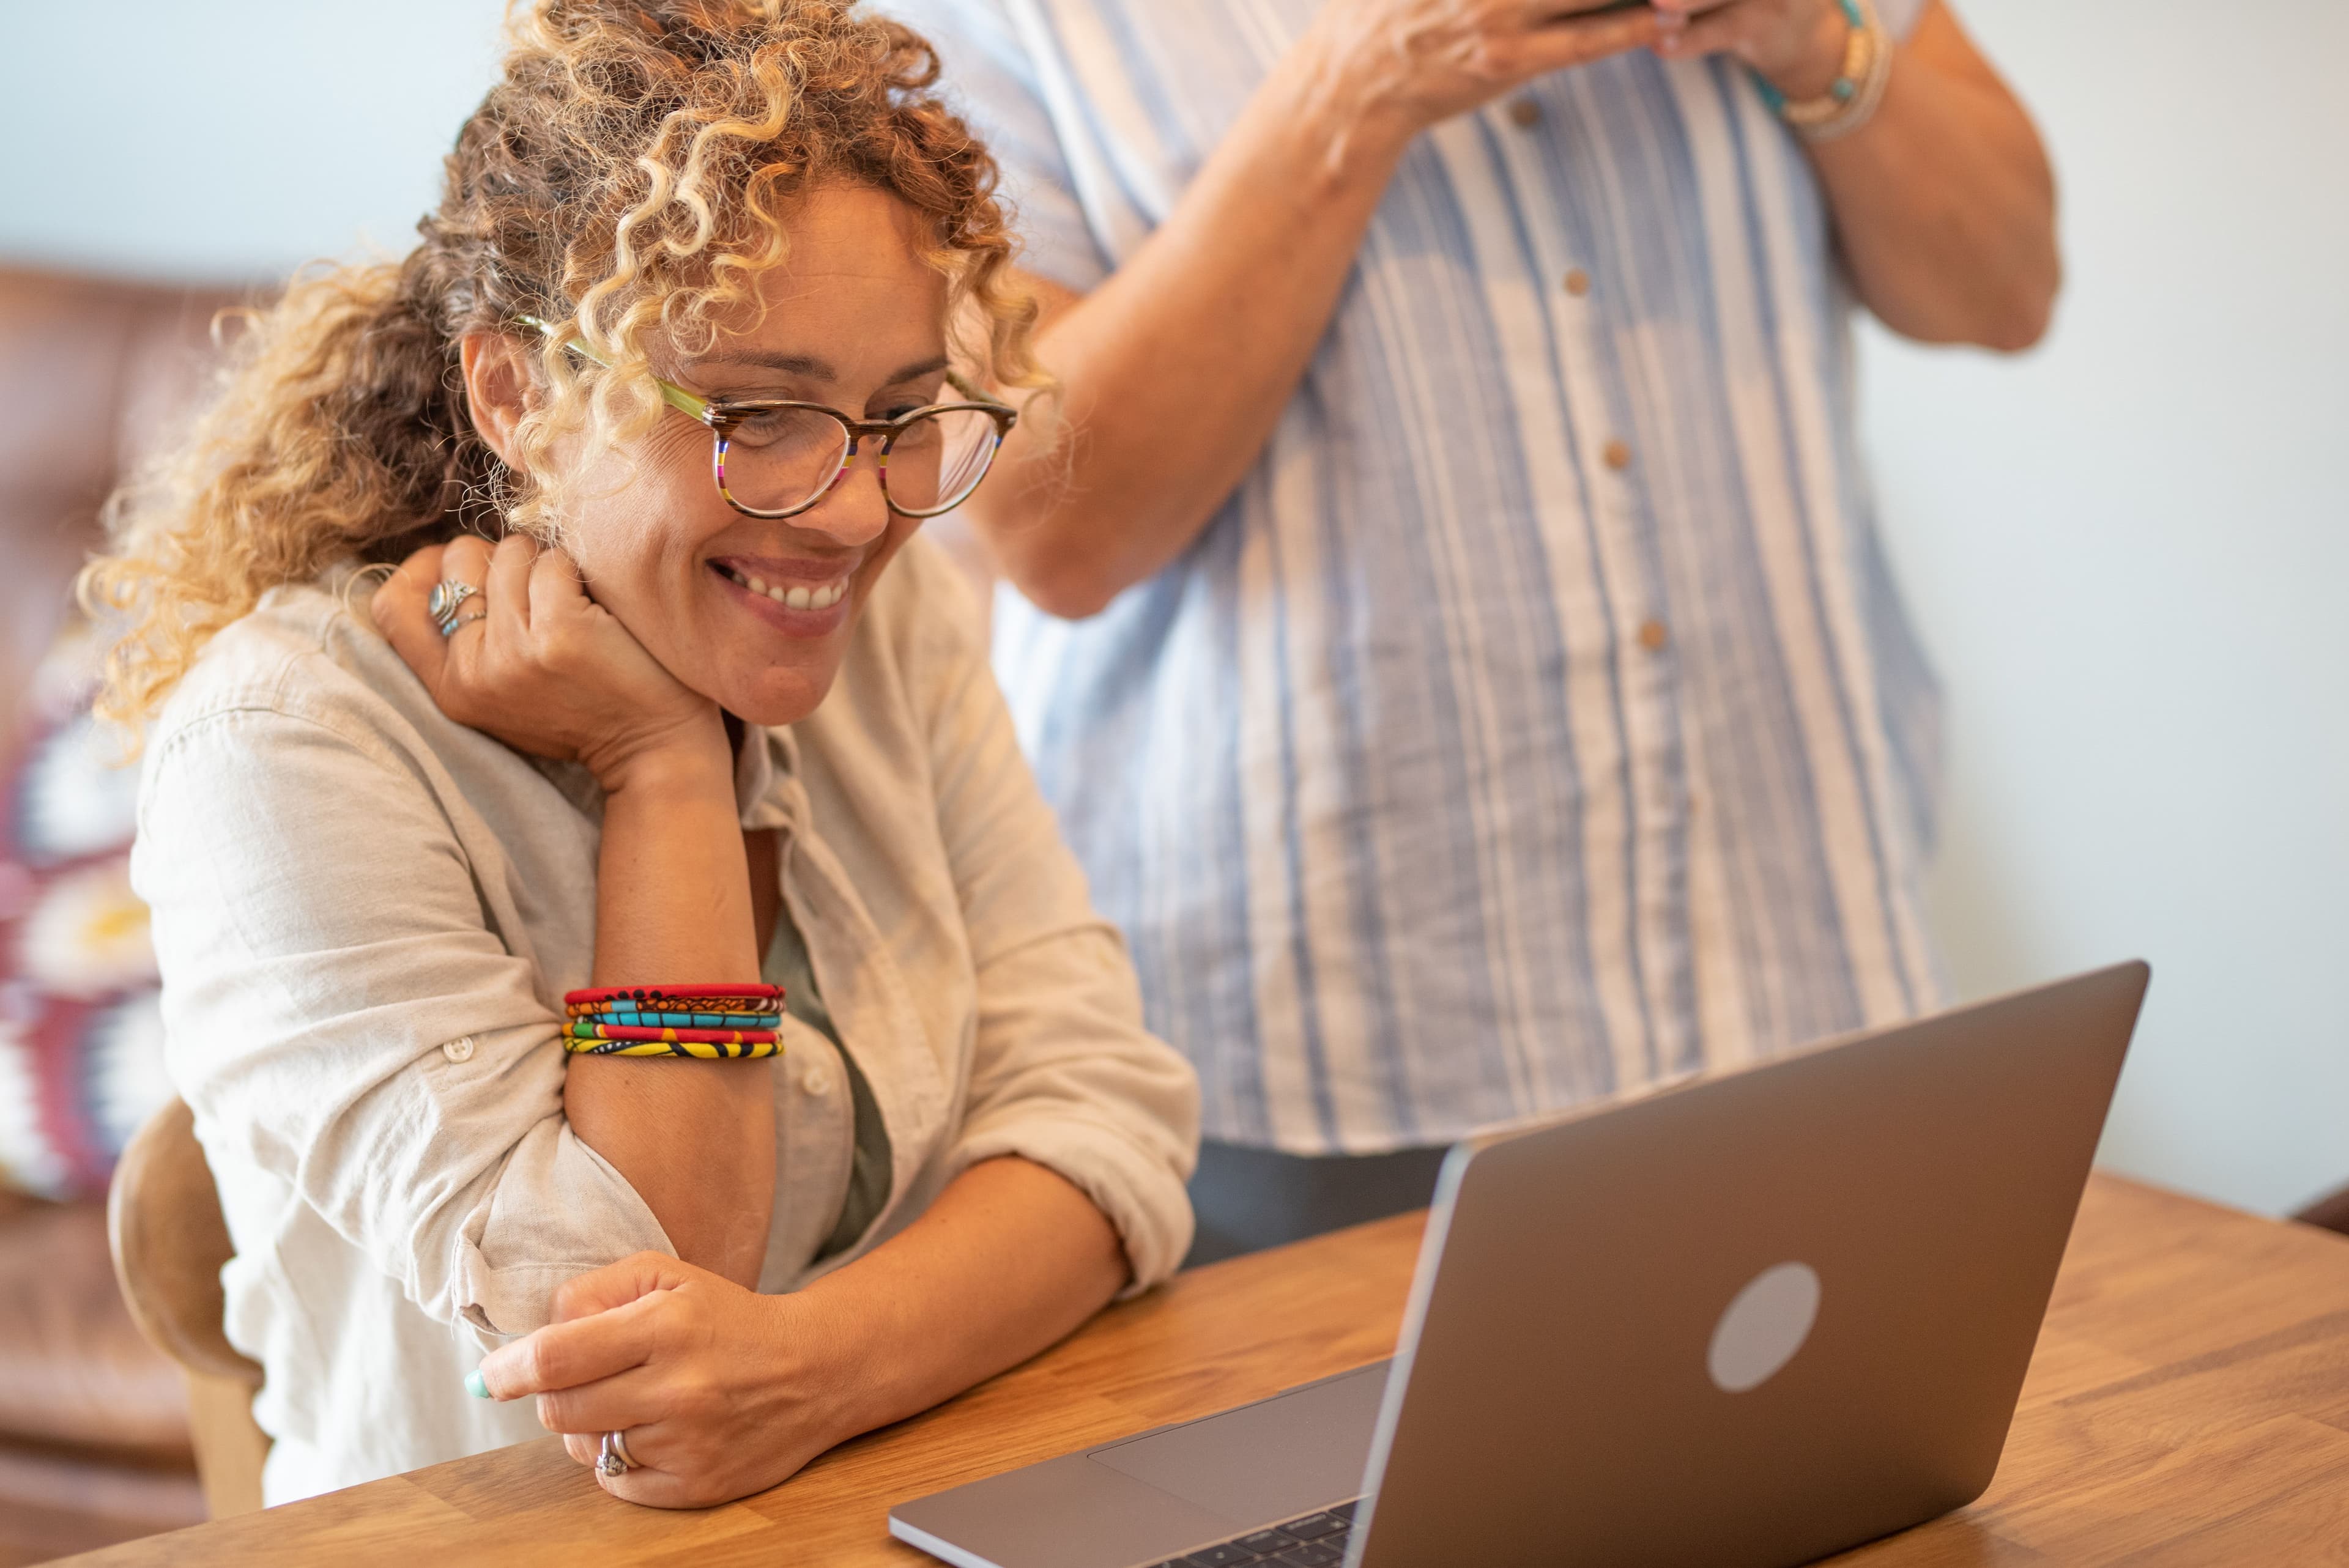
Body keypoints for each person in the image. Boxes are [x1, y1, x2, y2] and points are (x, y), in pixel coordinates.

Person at [86, 0, 1197, 1509]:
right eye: (754, 413)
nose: (857, 510)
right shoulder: (282, 744)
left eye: (902, 415)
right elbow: (613, 1327)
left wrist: (813, 1374)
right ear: (518, 396)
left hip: (928, 1499)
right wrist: (663, 768)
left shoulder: (892, 610)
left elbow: (1106, 1121)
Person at [888, 0, 2058, 1262]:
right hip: (1307, 1058)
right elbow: (1047, 529)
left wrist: (1818, 39)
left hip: (1795, 965)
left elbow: (2005, 289)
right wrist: (1356, 89)